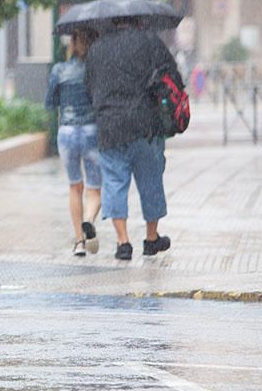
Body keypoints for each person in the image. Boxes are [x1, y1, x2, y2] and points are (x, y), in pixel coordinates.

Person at [84, 16, 182, 261]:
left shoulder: (97, 49)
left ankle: (122, 242)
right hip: (145, 125)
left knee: (115, 183)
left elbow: (88, 86)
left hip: (110, 127)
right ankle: (151, 239)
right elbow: (173, 76)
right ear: (137, 20)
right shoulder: (150, 42)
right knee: (150, 181)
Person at [45, 28, 102, 257]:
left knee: (74, 186)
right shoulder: (95, 70)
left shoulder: (59, 70)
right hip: (91, 131)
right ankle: (88, 219)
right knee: (95, 189)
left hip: (67, 132)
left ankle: (79, 242)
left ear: (72, 45)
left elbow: (50, 102)